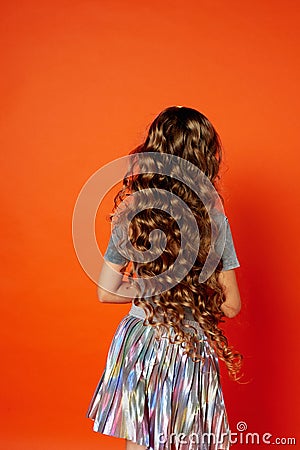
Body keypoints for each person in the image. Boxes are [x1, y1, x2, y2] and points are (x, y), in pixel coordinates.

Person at [86, 106, 242, 450]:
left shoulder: (132, 213)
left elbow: (106, 293)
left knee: (141, 440)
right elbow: (231, 306)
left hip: (142, 340)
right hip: (189, 347)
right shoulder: (214, 221)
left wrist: (157, 285)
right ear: (204, 157)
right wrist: (190, 289)